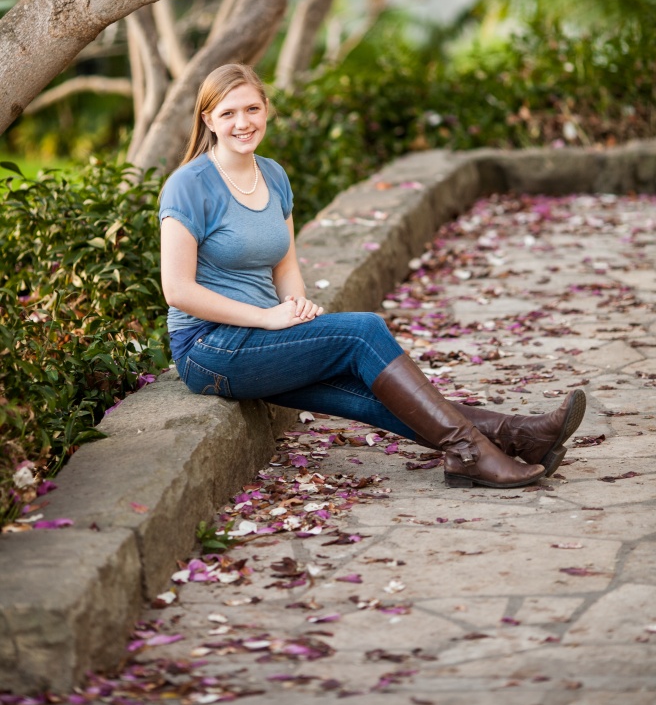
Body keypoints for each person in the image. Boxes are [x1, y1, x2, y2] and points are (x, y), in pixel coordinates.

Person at [159, 64, 586, 489]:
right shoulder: (189, 186)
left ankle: (517, 436)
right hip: (209, 347)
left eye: (252, 108)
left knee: (375, 392)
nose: (243, 122)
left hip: (263, 338)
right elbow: (177, 290)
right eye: (229, 113)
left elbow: (284, 264)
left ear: (267, 108)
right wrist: (268, 318)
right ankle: (471, 453)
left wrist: (297, 308)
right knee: (363, 331)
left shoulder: (272, 174)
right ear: (208, 120)